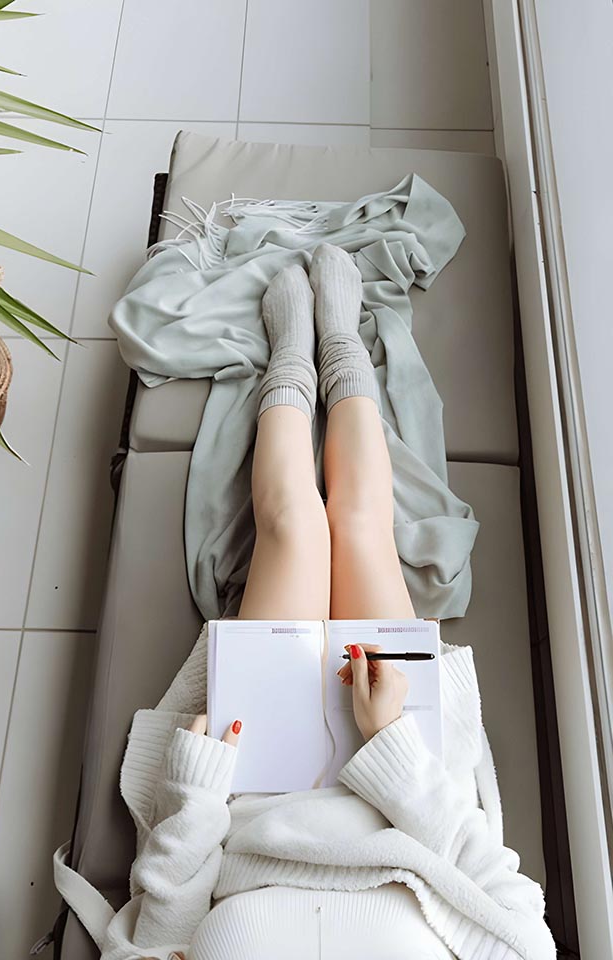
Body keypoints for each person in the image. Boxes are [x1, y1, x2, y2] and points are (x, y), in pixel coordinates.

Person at [98, 244, 554, 960]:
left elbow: (159, 935)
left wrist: (195, 793)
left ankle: (291, 354)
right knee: (362, 527)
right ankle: (338, 341)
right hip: (400, 779)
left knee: (293, 525)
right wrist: (395, 748)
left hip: (253, 793)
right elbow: (525, 927)